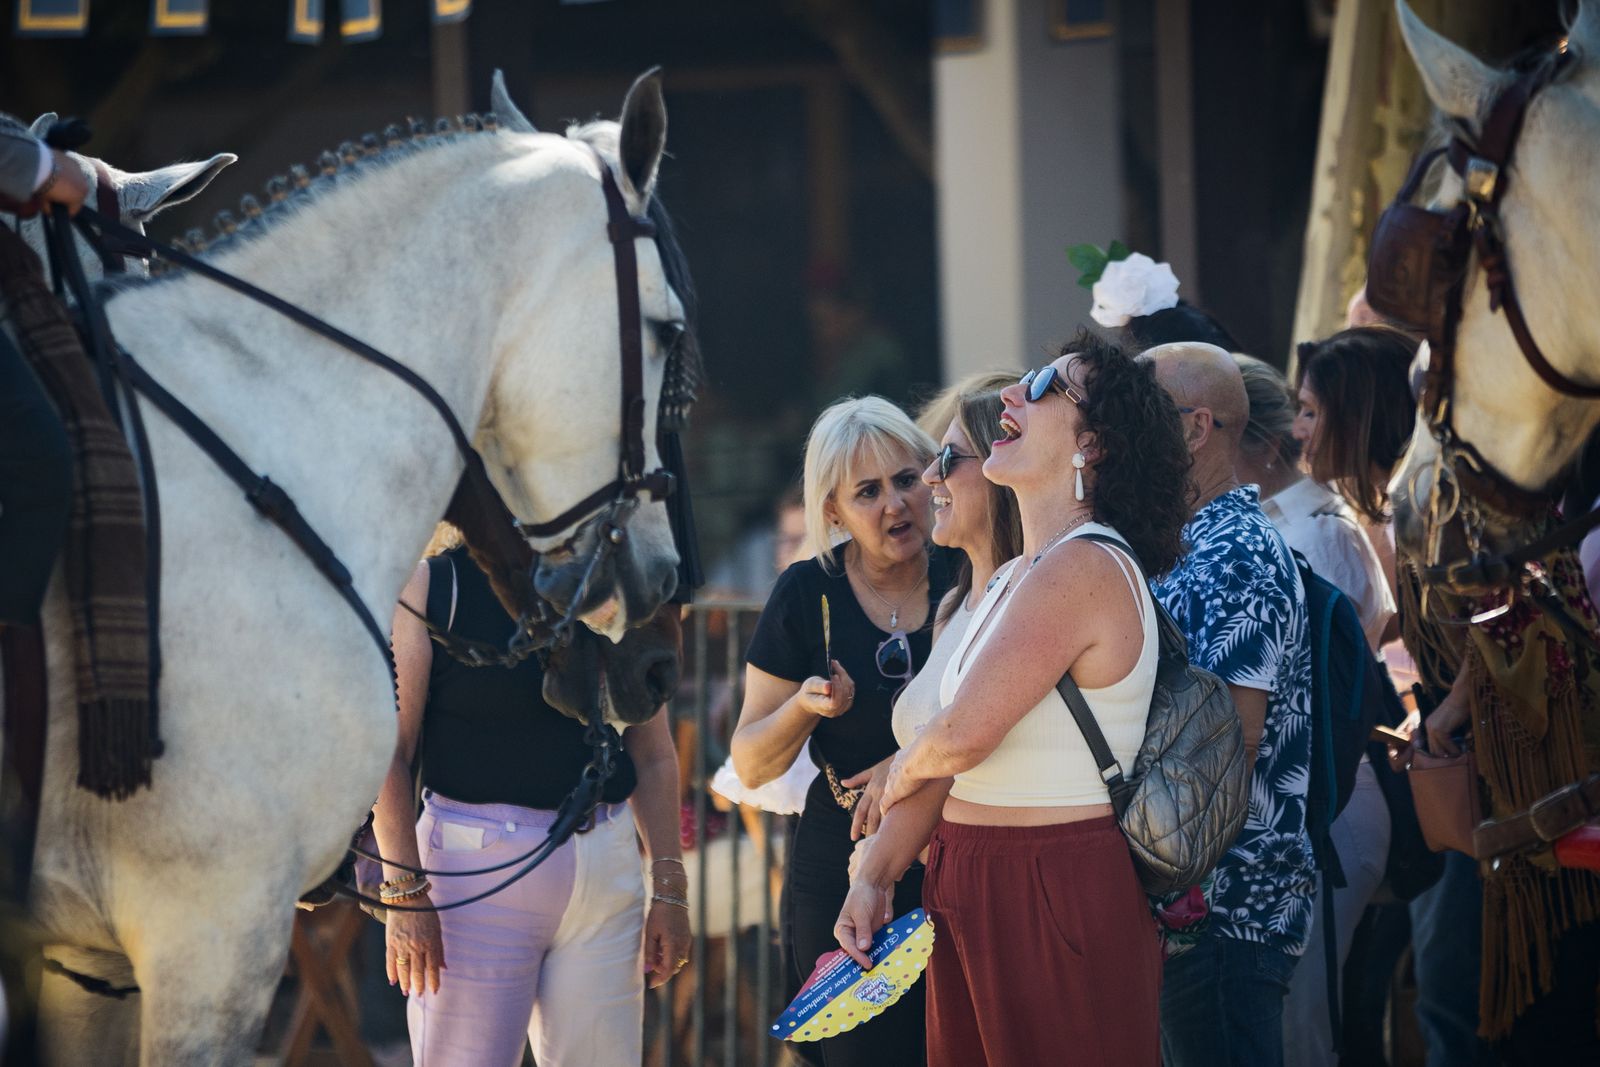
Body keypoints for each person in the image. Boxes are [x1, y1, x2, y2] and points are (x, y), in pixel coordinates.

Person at [862, 334, 1191, 1066]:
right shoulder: (1018, 576)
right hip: (972, 876)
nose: (1014, 393)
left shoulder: (1087, 564)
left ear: (1093, 446)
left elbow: (961, 737)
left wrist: (893, 776)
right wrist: (874, 872)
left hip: (1051, 885)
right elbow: (951, 758)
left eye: (1045, 386)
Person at [374, 530, 690, 1067]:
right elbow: (388, 752)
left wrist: (670, 886)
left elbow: (652, 751)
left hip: (606, 870)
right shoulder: (434, 585)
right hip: (473, 877)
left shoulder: (611, 580)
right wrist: (403, 890)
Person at [1293, 328, 1493, 1066]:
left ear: (1359, 412)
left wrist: (1443, 710)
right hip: (1462, 772)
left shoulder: (1433, 499)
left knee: (1451, 990)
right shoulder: (1400, 502)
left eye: (1313, 410)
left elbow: (1504, 613)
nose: (1299, 429)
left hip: (1491, 778)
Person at [732, 396, 949, 1067]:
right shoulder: (805, 592)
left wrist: (909, 760)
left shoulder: (966, 566)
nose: (895, 505)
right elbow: (750, 762)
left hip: (956, 849)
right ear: (832, 511)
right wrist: (805, 706)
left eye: (907, 479)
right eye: (867, 491)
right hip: (842, 859)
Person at [1144, 341, 1314, 1067]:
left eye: (1137, 414)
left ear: (1194, 427)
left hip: (1224, 910)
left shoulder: (1234, 553)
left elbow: (1224, 753)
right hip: (1197, 910)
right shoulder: (1189, 544)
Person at [1233, 353, 1397, 1067]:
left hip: (1328, 804)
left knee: (1306, 1035)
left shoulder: (1321, 531)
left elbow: (1321, 689)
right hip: (1298, 807)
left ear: (1254, 442)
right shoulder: (1274, 522)